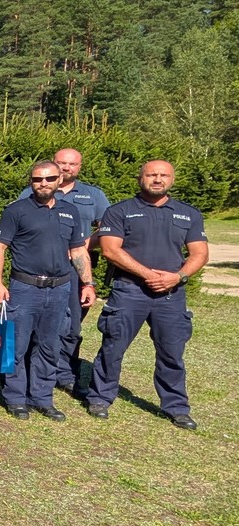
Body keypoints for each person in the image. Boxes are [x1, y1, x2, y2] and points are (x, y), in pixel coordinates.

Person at [85, 160, 208, 429]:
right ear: (140, 178)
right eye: (151, 174)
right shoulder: (120, 211)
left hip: (171, 294)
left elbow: (200, 253)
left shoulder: (188, 213)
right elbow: (110, 250)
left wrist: (178, 277)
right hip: (129, 290)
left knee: (171, 352)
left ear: (172, 179)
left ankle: (176, 407)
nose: (158, 179)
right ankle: (100, 398)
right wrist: (148, 275)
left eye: (164, 175)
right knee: (113, 347)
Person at [0, 160, 94, 421]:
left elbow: (78, 250)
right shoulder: (16, 210)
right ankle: (16, 398)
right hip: (25, 288)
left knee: (50, 346)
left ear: (59, 180)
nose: (43, 183)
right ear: (31, 182)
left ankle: (42, 398)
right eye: (37, 179)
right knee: (17, 346)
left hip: (59, 289)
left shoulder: (70, 211)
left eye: (48, 178)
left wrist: (88, 283)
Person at [17, 147, 110, 393]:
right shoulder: (32, 191)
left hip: (76, 269)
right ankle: (31, 370)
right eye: (62, 163)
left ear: (80, 167)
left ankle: (65, 373)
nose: (67, 167)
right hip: (37, 270)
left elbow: (107, 229)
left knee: (72, 326)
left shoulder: (94, 195)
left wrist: (81, 244)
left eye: (73, 164)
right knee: (34, 324)